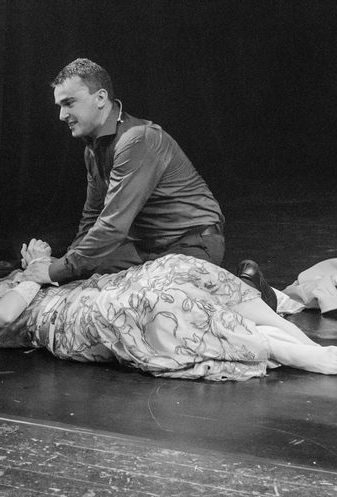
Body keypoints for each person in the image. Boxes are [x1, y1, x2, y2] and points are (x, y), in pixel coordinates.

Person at [23, 58, 277, 310]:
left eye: (69, 103)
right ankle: (216, 288)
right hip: (146, 248)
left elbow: (112, 226)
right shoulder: (93, 150)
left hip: (192, 243)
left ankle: (249, 288)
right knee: (82, 277)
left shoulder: (136, 140)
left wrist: (54, 270)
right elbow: (91, 219)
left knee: (163, 308)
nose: (62, 115)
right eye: (59, 106)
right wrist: (61, 265)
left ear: (100, 98)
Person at [0, 240, 337, 382]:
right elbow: (7, 315)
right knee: (144, 304)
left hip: (77, 292)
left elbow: (42, 280)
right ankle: (274, 346)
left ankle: (287, 333)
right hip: (61, 322)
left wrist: (39, 264)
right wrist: (33, 271)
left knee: (177, 267)